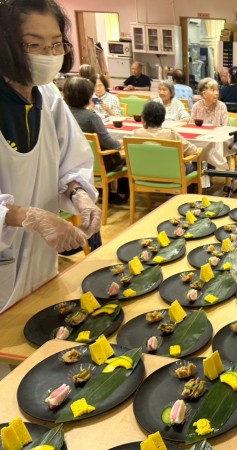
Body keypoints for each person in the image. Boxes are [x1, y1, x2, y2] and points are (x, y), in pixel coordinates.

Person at [0, 0, 101, 312]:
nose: (48, 55)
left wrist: (79, 194)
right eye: (34, 44)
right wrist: (25, 216)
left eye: (56, 44)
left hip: (42, 260)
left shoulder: (49, 97)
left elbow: (70, 162)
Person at [62, 76, 128, 203]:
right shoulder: (91, 117)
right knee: (126, 160)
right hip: (95, 162)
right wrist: (120, 143)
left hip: (69, 162)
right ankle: (121, 195)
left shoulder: (62, 113)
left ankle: (104, 193)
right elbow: (109, 143)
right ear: (86, 96)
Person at [133, 102, 201, 175]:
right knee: (194, 167)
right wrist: (199, 150)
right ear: (163, 119)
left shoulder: (137, 133)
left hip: (144, 173)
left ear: (143, 118)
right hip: (172, 175)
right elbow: (193, 151)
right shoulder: (170, 134)